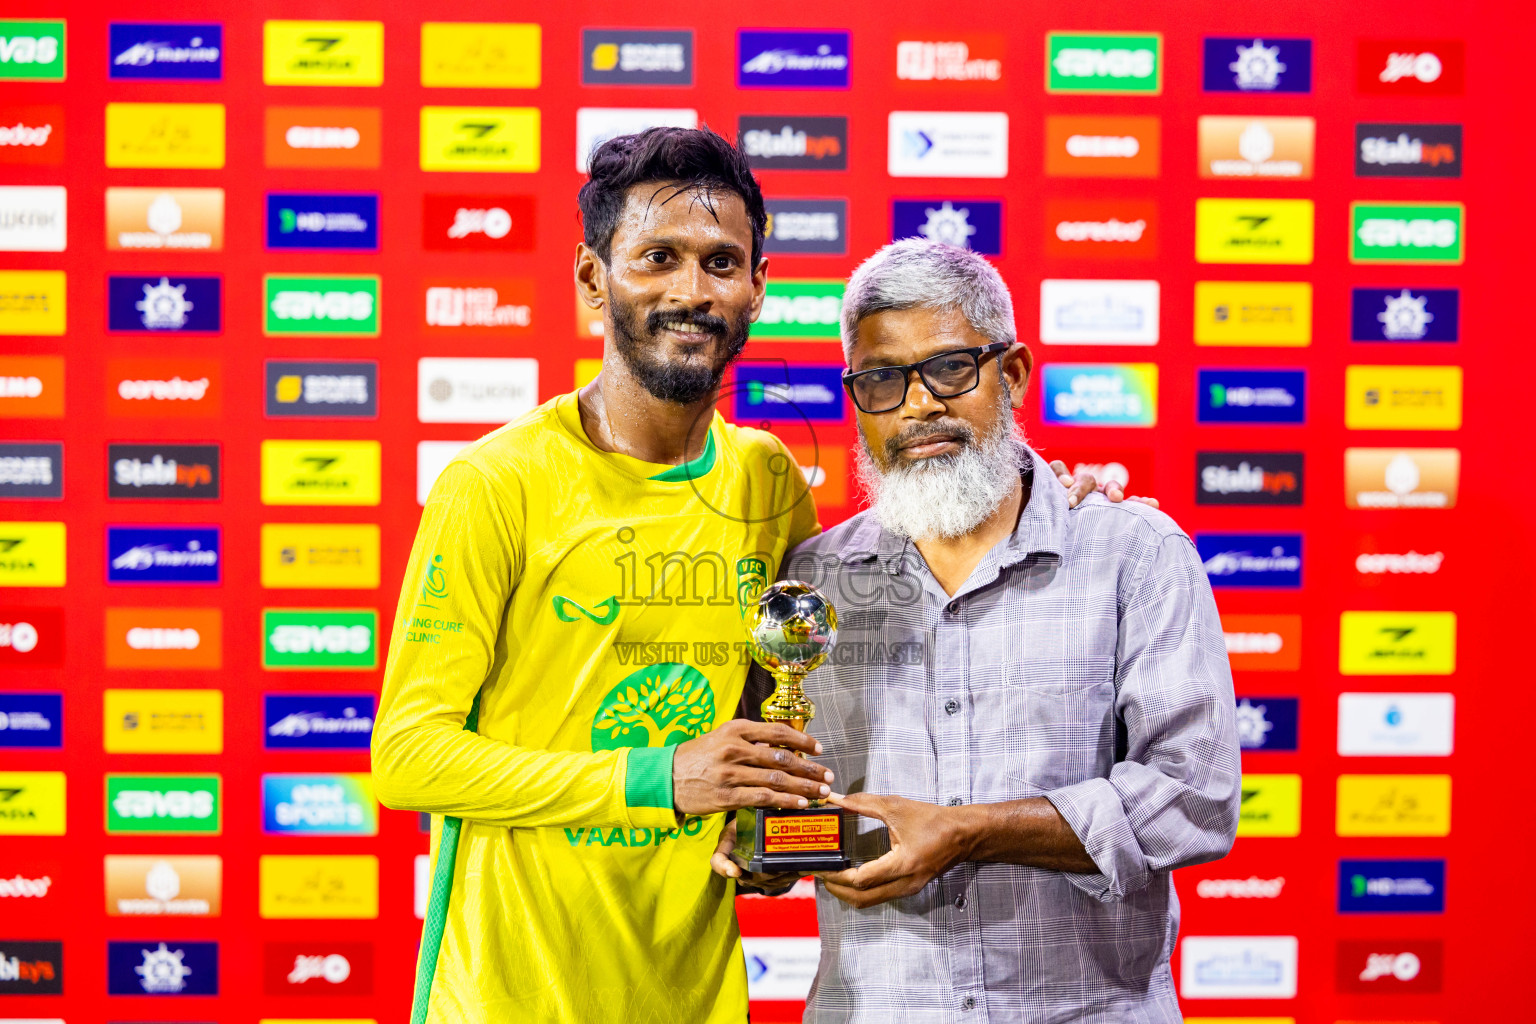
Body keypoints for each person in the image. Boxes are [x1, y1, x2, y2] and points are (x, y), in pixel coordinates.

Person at [374, 127, 1134, 1023]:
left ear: (757, 288)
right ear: (592, 279)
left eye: (721, 261)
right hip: (508, 996)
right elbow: (407, 758)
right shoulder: (495, 484)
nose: (691, 291)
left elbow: (794, 701)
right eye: (657, 257)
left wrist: (1046, 499)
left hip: (697, 994)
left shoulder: (767, 480)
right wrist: (662, 779)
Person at [714, 239, 1241, 1022]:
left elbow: (1194, 797)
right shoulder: (810, 584)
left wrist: (967, 833)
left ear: (1015, 373)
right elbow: (780, 801)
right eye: (884, 380)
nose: (919, 404)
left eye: (952, 367)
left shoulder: (1136, 556)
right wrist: (759, 846)